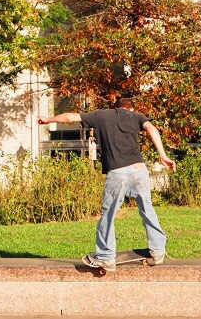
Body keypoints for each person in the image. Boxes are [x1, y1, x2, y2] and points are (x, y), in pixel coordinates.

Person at [38, 98, 176, 272]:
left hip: (118, 172)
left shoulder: (101, 115)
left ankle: (105, 257)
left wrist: (47, 120)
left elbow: (70, 117)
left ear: (115, 107)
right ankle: (157, 250)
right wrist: (162, 155)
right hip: (140, 170)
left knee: (108, 214)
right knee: (147, 208)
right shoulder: (137, 116)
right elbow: (152, 128)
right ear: (130, 108)